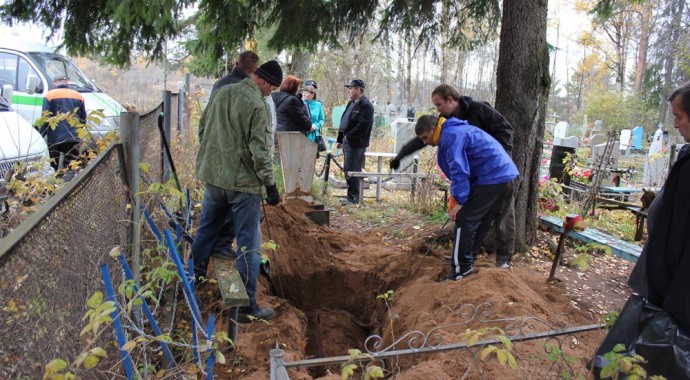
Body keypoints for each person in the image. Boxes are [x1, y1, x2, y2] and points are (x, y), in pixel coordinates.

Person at [193, 60, 283, 322]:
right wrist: (270, 185)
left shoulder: (222, 92)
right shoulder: (258, 104)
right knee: (249, 242)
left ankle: (194, 281)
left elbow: (202, 130)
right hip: (243, 185)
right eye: (271, 88)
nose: (270, 93)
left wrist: (216, 160)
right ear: (264, 81)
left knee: (206, 229)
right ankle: (245, 306)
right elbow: (260, 151)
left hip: (214, 178)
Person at [390, 84, 516, 268]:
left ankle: (503, 260)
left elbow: (506, 131)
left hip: (493, 170)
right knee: (480, 218)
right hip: (476, 176)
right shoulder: (444, 122)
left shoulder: (479, 109)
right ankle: (469, 256)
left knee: (502, 215)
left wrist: (493, 160)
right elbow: (422, 139)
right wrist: (400, 156)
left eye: (439, 104)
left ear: (450, 99)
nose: (437, 109)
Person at [414, 115, 518, 281]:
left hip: (491, 177)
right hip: (504, 174)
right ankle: (472, 258)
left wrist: (460, 201)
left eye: (425, 138)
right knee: (483, 218)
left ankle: (461, 270)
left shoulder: (450, 136)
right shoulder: (455, 130)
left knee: (465, 218)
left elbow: (459, 170)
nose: (425, 142)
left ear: (433, 129)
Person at [639, 82, 690, 330]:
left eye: (679, 117)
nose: (676, 124)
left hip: (677, 300)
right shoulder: (686, 155)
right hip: (663, 286)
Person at [203, 50, 261, 262]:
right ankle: (222, 243)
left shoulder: (220, 84)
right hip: (236, 162)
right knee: (234, 208)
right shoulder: (248, 91)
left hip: (215, 156)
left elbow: (206, 121)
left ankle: (199, 265)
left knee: (211, 215)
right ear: (255, 70)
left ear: (236, 63)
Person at [337, 79, 374, 205]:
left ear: (359, 89)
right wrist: (340, 139)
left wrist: (348, 137)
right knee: (348, 169)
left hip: (357, 143)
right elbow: (345, 121)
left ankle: (354, 198)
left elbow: (363, 126)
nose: (348, 90)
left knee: (353, 170)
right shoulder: (351, 103)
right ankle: (350, 196)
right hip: (347, 142)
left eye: (351, 88)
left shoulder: (366, 105)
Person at [39, 75, 87, 170]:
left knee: (53, 165)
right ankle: (70, 182)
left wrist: (41, 134)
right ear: (67, 82)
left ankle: (55, 182)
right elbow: (83, 118)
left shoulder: (49, 95)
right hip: (73, 136)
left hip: (54, 137)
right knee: (71, 165)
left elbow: (45, 118)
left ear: (55, 83)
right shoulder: (78, 95)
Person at [302, 83, 326, 151]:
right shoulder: (300, 103)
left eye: (306, 93)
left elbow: (322, 119)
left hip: (314, 134)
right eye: (303, 92)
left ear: (312, 95)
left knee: (312, 157)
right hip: (303, 133)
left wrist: (316, 126)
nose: (303, 94)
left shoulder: (318, 105)